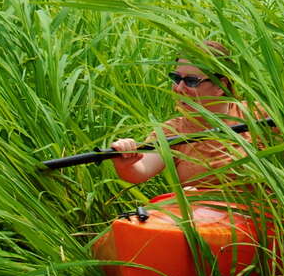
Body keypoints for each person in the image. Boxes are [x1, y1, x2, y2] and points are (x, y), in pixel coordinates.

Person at [108, 42, 260, 194]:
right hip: (199, 208)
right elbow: (141, 170)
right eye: (176, 78)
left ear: (221, 85)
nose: (179, 88)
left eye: (191, 81)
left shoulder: (258, 114)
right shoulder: (172, 131)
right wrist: (125, 163)